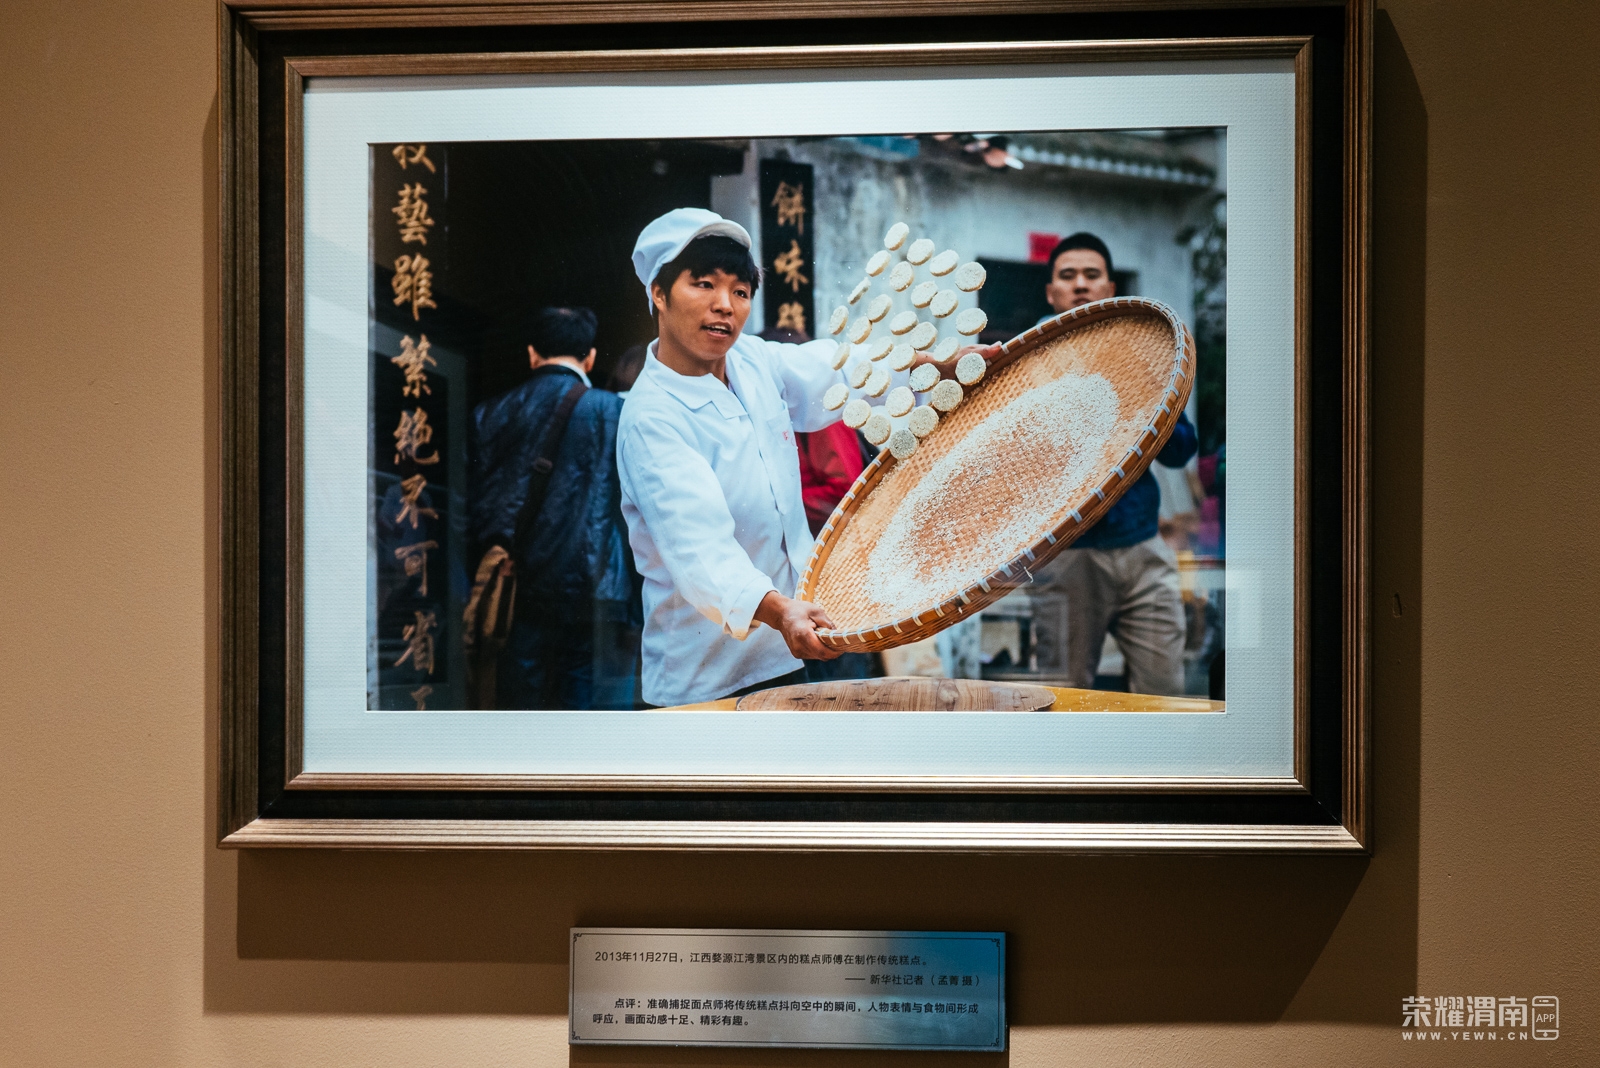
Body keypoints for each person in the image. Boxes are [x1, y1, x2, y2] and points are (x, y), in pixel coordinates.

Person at [616, 208, 852, 707]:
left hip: (787, 648)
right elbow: (702, 551)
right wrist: (780, 611)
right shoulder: (652, 417)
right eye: (703, 284)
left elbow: (834, 371)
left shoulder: (751, 361)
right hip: (704, 678)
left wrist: (934, 366)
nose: (725, 305)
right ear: (659, 293)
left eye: (740, 291)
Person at [1029, 233, 1198, 695]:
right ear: (1051, 293)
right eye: (1068, 276)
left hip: (1144, 550)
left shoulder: (1139, 355)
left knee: (1164, 694)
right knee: (1063, 698)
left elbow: (1181, 449)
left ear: (1110, 288)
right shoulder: (1030, 366)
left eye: (1092, 275)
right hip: (1066, 556)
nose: (1080, 285)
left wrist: (1139, 391)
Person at [467, 306, 638, 709]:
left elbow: (474, 503)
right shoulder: (614, 411)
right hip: (594, 589)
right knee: (587, 710)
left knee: (521, 704)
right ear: (590, 358)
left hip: (518, 585)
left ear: (532, 354)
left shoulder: (489, 412)